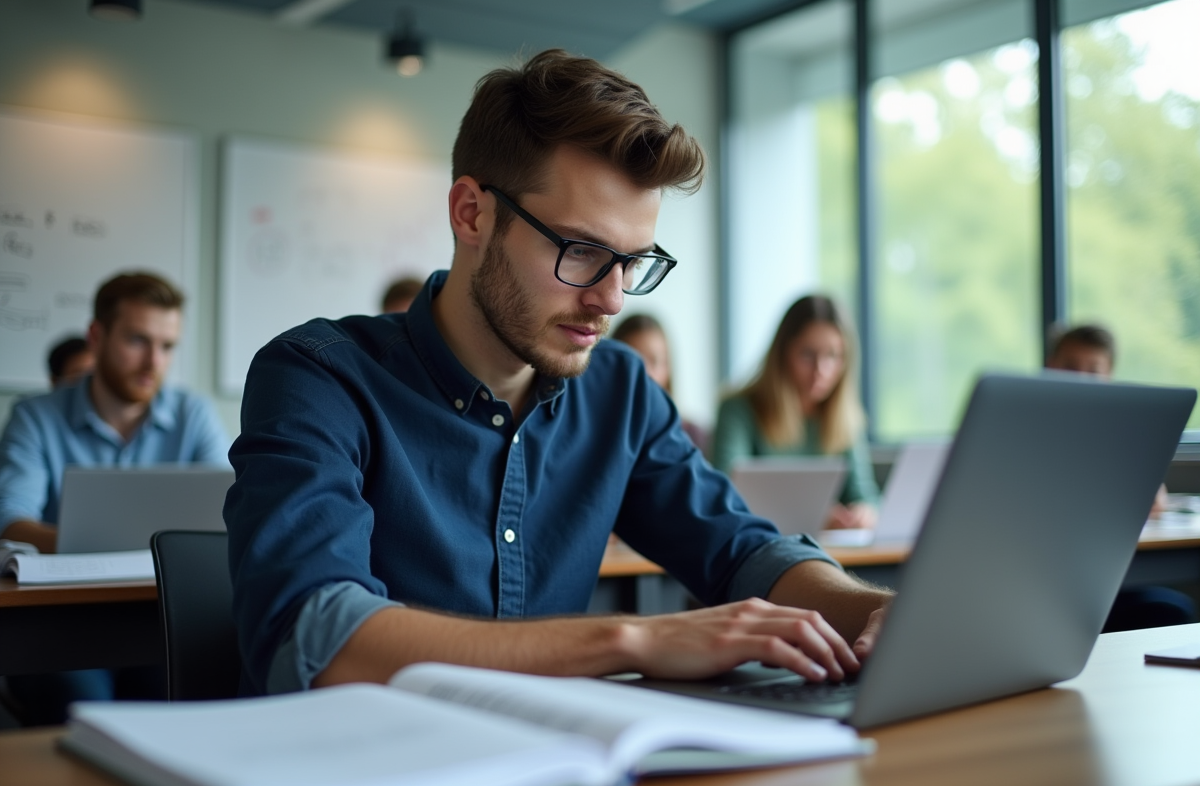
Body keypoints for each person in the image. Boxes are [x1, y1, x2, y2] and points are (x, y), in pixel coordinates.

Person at [226, 50, 892, 699]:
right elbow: (318, 635)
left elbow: (743, 551)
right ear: (472, 213)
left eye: (633, 262)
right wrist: (628, 640)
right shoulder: (319, 376)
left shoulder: (620, 391)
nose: (612, 300)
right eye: (581, 251)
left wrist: (879, 614)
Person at [0, 271, 231, 725]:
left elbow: (227, 511)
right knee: (86, 710)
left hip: (162, 620)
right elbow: (11, 520)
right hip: (61, 625)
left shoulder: (195, 414)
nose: (153, 362)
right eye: (137, 340)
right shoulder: (35, 417)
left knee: (198, 696)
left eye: (167, 346)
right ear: (96, 336)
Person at [1045, 322, 1194, 631]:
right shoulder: (1028, 427)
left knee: (1172, 610)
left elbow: (1155, 498)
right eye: (1070, 367)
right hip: (1052, 579)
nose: (1082, 378)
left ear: (1109, 375)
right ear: (1050, 366)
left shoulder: (1116, 433)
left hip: (1106, 574)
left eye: (1093, 370)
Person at [712, 295, 880, 531]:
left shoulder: (844, 419)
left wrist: (864, 512)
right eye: (807, 354)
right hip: (757, 544)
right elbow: (725, 493)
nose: (821, 370)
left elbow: (865, 496)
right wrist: (817, 515)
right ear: (783, 353)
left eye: (833, 356)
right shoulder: (738, 410)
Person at [611, 313, 708, 454]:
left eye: (655, 361)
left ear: (668, 368)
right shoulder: (599, 432)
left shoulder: (693, 436)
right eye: (634, 362)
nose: (646, 373)